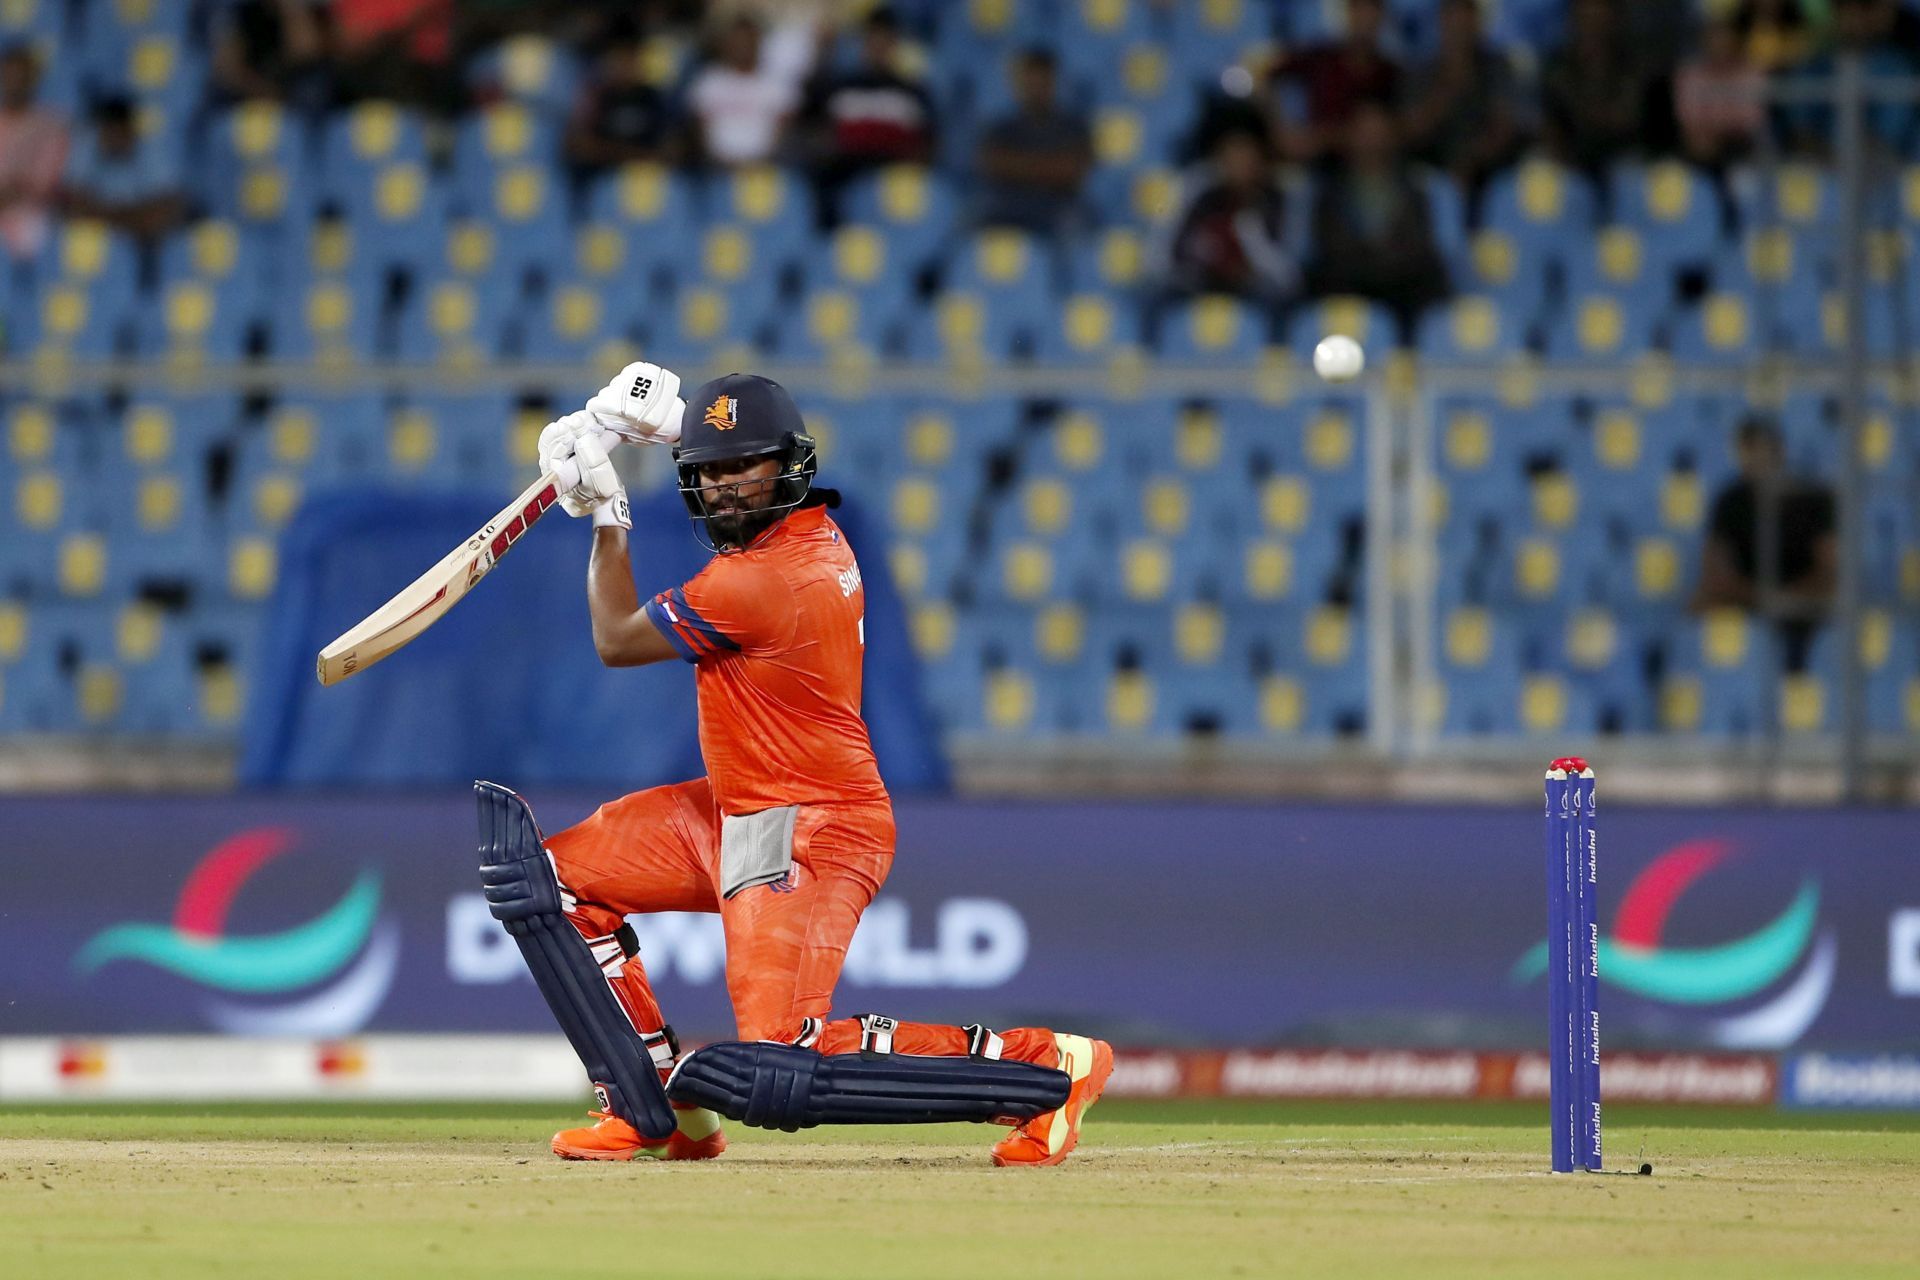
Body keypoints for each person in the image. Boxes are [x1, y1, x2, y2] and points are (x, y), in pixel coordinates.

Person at [489, 363, 1112, 1166]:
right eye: (706, 473)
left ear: (790, 466)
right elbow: (741, 465)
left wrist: (608, 513)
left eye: (740, 469)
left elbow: (615, 639)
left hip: (813, 826)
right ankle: (649, 1104)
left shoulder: (762, 580)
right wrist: (665, 427)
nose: (722, 490)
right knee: (551, 884)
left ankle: (1048, 1063)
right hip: (737, 808)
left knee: (780, 1055)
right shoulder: (807, 531)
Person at [1693, 415, 1836, 671]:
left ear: (1780, 450)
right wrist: (1760, 597)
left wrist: (1785, 597)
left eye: (1764, 449)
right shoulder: (1730, 501)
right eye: (1749, 450)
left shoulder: (1815, 498)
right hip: (1745, 602)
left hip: (1804, 604)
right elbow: (1713, 570)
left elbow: (1830, 570)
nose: (1758, 459)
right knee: (1699, 605)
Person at [1304, 98, 1449, 339]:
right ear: (1349, 135)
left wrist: (1385, 260)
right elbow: (1329, 243)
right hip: (1350, 280)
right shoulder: (1330, 192)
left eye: (1378, 131)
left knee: (1430, 280)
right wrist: (1368, 258)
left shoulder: (1414, 190)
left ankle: (1411, 359)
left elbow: (1418, 242)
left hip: (1401, 282)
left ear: (1392, 136)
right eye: (1364, 132)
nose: (1371, 140)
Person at [797, 6, 933, 221]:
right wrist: (823, 55)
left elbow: (927, 145)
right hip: (845, 177)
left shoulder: (912, 92)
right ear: (863, 43)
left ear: (894, 44)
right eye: (873, 40)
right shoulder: (840, 88)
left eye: (885, 41)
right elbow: (807, 117)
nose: (878, 48)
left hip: (893, 182)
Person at [1398, 0, 1522, 203]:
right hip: (1430, 167)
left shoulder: (1497, 66)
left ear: (1477, 24)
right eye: (1452, 21)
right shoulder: (1420, 70)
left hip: (1485, 169)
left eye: (1465, 22)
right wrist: (1447, 90)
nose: (1459, 31)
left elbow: (1505, 126)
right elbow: (1410, 131)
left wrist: (1470, 161)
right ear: (1441, 23)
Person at [1160, 128, 1296, 305]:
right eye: (1232, 159)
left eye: (1247, 160)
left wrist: (1250, 236)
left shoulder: (1276, 200)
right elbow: (1165, 258)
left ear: (1260, 163)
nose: (1239, 167)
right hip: (1201, 287)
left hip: (1255, 293)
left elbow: (1289, 278)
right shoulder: (1202, 196)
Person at [974, 48, 1092, 236]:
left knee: (1076, 227)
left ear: (1053, 83)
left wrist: (1018, 166)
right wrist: (1048, 167)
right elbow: (991, 164)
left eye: (1042, 82)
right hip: (1009, 208)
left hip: (1057, 209)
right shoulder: (1004, 127)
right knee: (975, 224)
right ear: (1021, 84)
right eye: (1031, 82)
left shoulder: (1073, 125)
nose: (1036, 89)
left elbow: (1071, 171)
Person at [1266, 0, 1400, 163]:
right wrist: (1280, 129)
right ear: (1349, 14)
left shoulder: (1389, 72)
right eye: (1359, 12)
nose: (1365, 21)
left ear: (1381, 19)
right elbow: (1270, 77)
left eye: (1371, 14)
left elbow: (1392, 129)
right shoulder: (1321, 58)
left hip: (1364, 164)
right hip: (1318, 162)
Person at [1541, 0, 1651, 178]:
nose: (1593, 27)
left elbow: (1628, 116)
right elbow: (1551, 117)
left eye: (1599, 19)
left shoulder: (1633, 64)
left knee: (1632, 171)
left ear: (1614, 20)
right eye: (1586, 18)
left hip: (1622, 151)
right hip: (1572, 151)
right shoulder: (1558, 65)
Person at [60, 96, 188, 243]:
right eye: (107, 133)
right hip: (102, 237)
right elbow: (73, 204)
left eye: (118, 133)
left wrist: (106, 218)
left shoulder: (151, 148)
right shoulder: (88, 144)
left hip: (143, 242)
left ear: (129, 131)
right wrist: (125, 219)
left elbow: (166, 208)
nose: (112, 139)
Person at [685, 15, 800, 168]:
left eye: (748, 40)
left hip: (765, 166)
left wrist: (760, 161)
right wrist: (720, 160)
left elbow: (783, 131)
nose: (742, 46)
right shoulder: (708, 81)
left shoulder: (777, 82)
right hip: (716, 167)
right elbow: (700, 130)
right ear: (726, 44)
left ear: (758, 42)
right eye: (737, 41)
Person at [564, 30, 677, 176]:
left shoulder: (655, 98)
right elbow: (579, 145)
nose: (626, 67)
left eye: (631, 60)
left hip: (647, 175)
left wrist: (617, 153)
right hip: (603, 177)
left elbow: (671, 148)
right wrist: (633, 155)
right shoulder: (597, 96)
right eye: (620, 60)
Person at [0, 42, 68, 264]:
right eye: (9, 74)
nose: (15, 82)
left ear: (33, 78)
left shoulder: (51, 125)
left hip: (30, 215)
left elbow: (41, 184)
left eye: (21, 75)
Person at [1674, 16, 1766, 171]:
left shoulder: (1750, 74)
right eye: (1713, 40)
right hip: (1700, 142)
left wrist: (1716, 129)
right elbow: (1687, 116)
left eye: (1724, 40)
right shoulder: (1690, 75)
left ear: (1735, 43)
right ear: (1704, 42)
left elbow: (1752, 117)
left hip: (1739, 141)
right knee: (1697, 146)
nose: (1719, 46)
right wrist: (1707, 131)